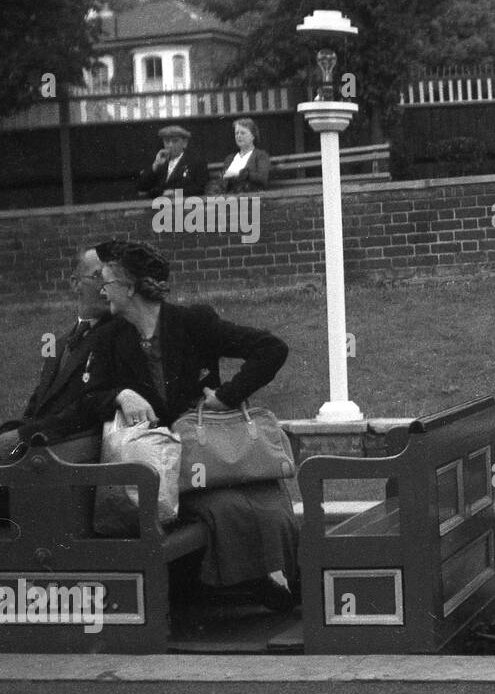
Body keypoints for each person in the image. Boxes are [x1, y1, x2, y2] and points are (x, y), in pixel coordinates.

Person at [85, 241, 299, 614]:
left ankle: (269, 582)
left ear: (130, 287)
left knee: (265, 502)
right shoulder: (109, 337)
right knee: (227, 507)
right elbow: (89, 396)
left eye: (107, 281)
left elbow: (271, 348)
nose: (102, 290)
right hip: (164, 471)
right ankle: (247, 584)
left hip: (211, 455)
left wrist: (227, 396)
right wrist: (122, 395)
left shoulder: (193, 323)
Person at [0, 241, 120, 462]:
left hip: (67, 449)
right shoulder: (60, 344)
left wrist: (16, 439)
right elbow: (36, 408)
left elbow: (87, 409)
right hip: (36, 447)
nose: (106, 286)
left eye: (110, 277)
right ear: (75, 284)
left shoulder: (117, 336)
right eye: (97, 276)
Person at [136, 124, 207, 199]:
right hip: (156, 206)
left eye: (175, 141)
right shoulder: (159, 162)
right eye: (167, 141)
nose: (170, 145)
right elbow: (141, 188)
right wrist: (155, 166)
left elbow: (200, 189)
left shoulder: (196, 162)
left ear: (185, 143)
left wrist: (175, 193)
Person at [216, 118, 272, 193]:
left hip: (252, 197)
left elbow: (262, 178)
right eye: (237, 133)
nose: (238, 136)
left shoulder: (261, 155)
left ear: (252, 136)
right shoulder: (229, 158)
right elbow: (223, 181)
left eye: (243, 133)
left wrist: (239, 174)